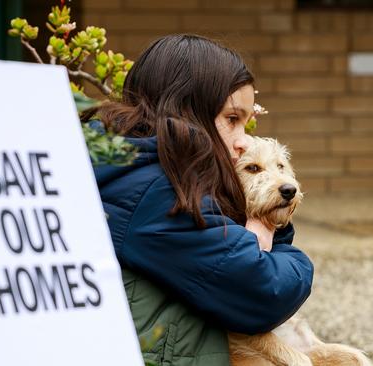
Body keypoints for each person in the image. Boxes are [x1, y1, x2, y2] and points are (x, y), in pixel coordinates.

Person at [87, 34, 313, 365]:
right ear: (185, 111)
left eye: (246, 122)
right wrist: (273, 236)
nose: (242, 141)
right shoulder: (157, 191)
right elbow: (263, 295)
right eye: (232, 120)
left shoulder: (138, 165)